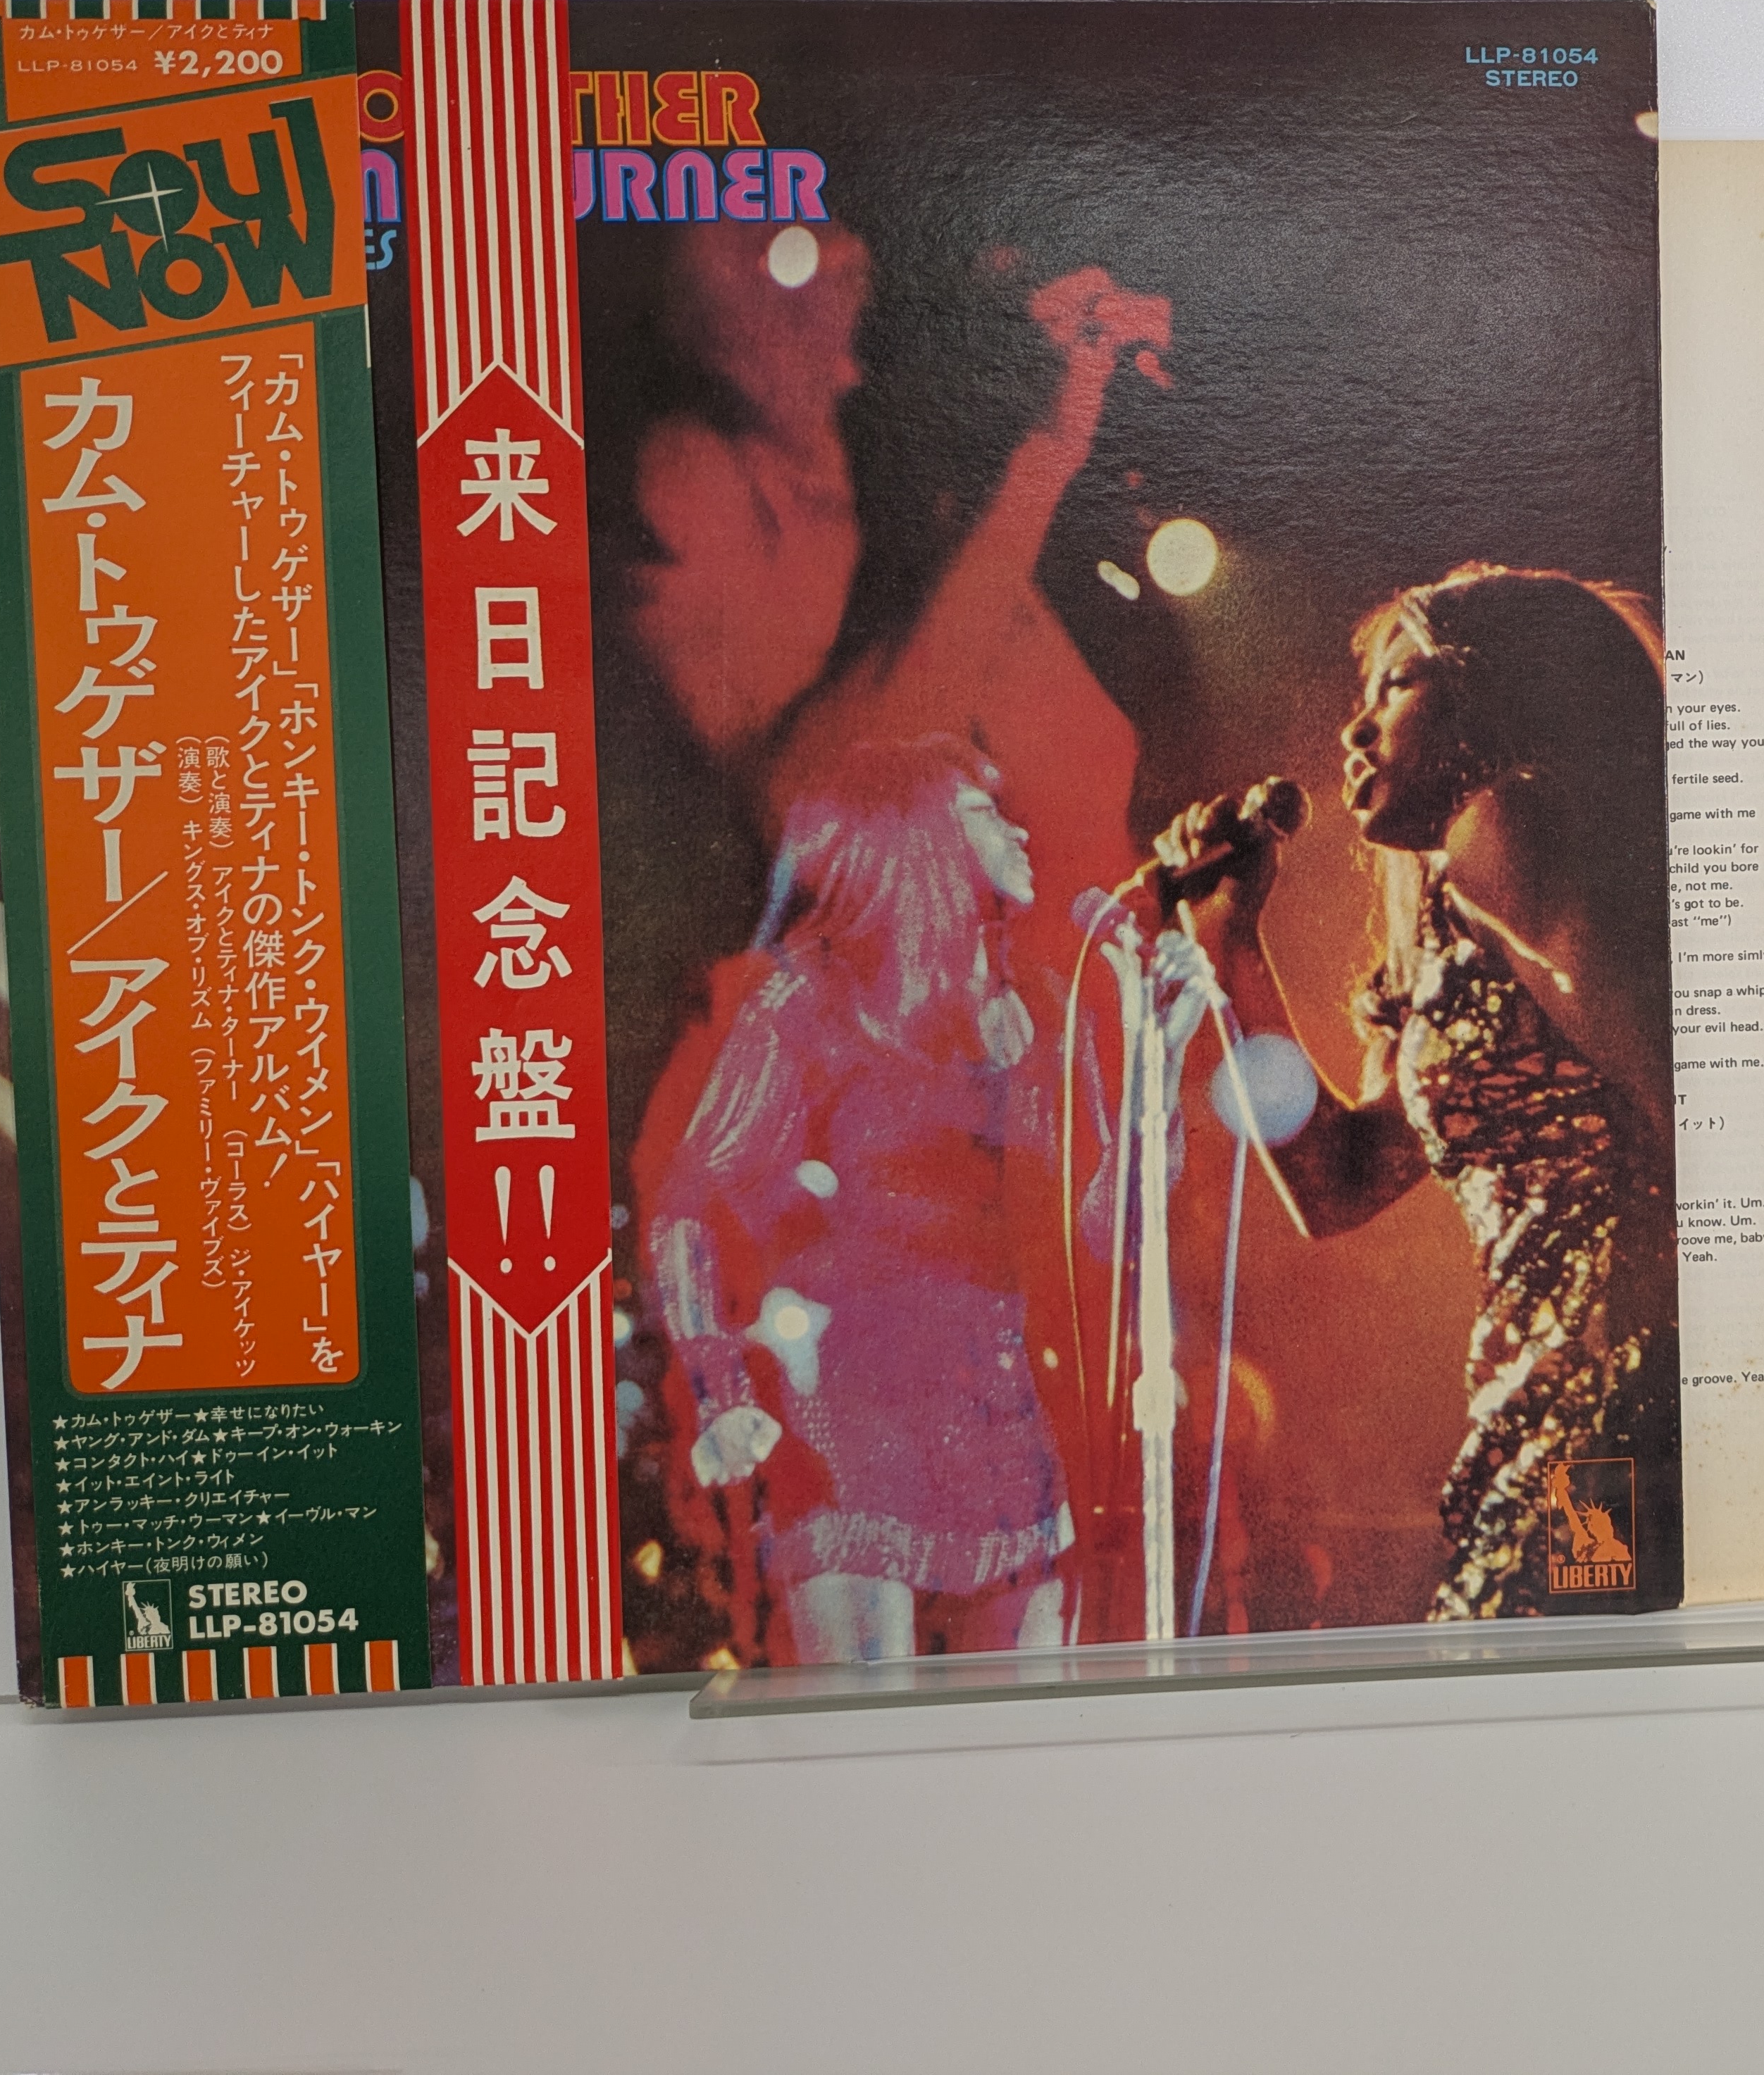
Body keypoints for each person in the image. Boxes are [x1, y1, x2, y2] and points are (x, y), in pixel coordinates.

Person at [616, 220, 1179, 1661]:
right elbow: (693, 1197)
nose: (841, 337)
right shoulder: (815, 963)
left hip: (994, 1390)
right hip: (848, 1387)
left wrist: (1147, 1061)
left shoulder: (1010, 990)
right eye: (801, 291)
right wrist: (720, 1384)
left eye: (855, 294)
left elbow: (1096, 1208)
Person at [1153, 563, 1681, 1619]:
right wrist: (1230, 947)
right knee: (1559, 1673)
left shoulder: (1507, 830)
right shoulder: (1452, 913)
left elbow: (1685, 1101)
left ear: (1494, 689)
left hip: (1611, 1397)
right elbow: (1336, 1181)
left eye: (1396, 686)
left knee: (1556, 1664)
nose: (1355, 731)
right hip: (1552, 1397)